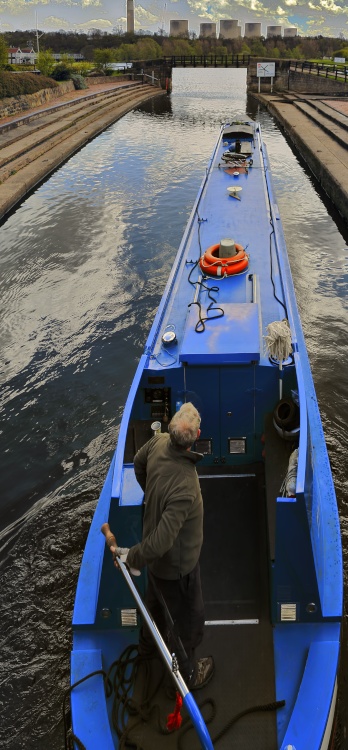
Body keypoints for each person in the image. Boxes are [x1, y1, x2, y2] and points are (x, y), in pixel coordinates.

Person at [109, 402, 214, 690]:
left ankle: (146, 649)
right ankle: (189, 676)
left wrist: (152, 493)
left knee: (153, 606)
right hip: (177, 570)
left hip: (155, 568)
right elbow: (164, 541)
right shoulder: (186, 484)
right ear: (197, 436)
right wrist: (135, 557)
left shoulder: (157, 443)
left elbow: (140, 465)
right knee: (188, 623)